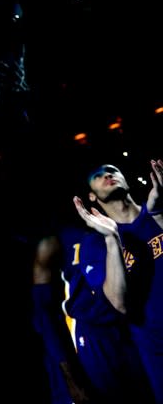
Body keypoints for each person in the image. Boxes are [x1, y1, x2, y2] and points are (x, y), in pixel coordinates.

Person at [31, 171, 155, 403]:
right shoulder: (54, 243)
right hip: (91, 343)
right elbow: (45, 317)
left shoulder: (131, 226)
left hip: (131, 335)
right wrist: (71, 380)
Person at [74, 161, 163, 403]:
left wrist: (158, 215)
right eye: (98, 174)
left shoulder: (157, 210)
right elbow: (119, 303)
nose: (107, 175)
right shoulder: (95, 244)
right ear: (91, 196)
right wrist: (113, 240)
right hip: (158, 351)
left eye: (112, 170)